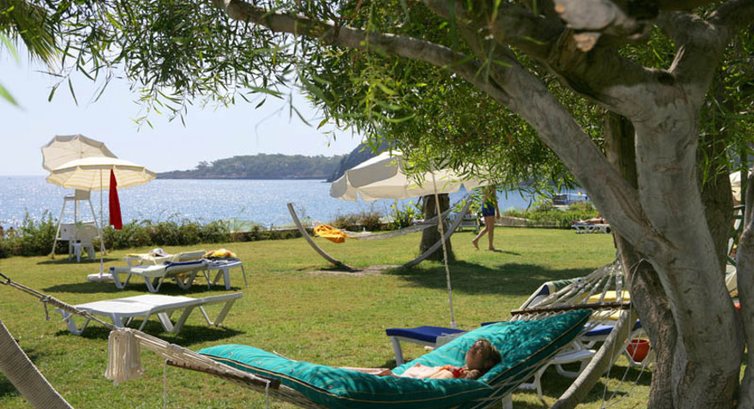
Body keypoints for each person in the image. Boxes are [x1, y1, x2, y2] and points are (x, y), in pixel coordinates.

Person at [380, 338, 502, 380]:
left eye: (479, 349)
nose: (474, 347)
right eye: (473, 346)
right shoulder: (464, 368)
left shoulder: (474, 373)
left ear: (487, 363)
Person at [472, 186, 500, 251]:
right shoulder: (492, 186)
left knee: (487, 227)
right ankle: (490, 246)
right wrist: (498, 211)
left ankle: (476, 240)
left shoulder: (484, 186)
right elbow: (494, 199)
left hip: (484, 206)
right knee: (491, 228)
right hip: (489, 206)